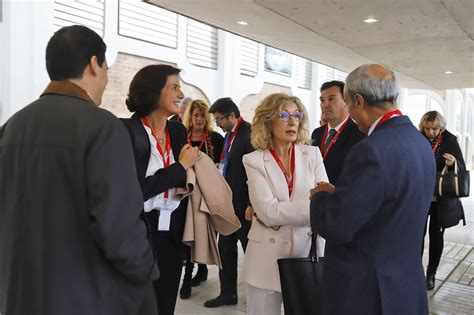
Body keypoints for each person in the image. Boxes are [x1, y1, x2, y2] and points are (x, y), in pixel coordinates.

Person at [0, 25, 158, 315]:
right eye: (107, 69)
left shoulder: (12, 126)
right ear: (94, 64)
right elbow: (119, 228)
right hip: (87, 296)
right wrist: (146, 269)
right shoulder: (103, 127)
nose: (107, 79)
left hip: (21, 293)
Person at [310, 64, 436, 314]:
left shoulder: (371, 149)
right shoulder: (419, 141)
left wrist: (321, 196)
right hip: (405, 284)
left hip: (368, 290)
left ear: (358, 101)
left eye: (346, 104)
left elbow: (337, 225)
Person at [121, 64, 200, 315]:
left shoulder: (177, 130)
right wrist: (179, 168)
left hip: (173, 230)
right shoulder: (127, 132)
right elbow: (133, 191)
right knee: (138, 304)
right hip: (140, 230)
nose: (181, 95)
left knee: (166, 302)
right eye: (174, 87)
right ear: (153, 92)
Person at [242, 93, 327, 315]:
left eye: (297, 115)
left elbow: (325, 201)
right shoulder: (253, 160)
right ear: (268, 121)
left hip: (307, 255)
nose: (293, 122)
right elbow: (268, 212)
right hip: (266, 258)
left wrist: (281, 212)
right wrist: (312, 205)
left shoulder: (313, 154)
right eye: (284, 115)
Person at [204, 97, 254, 308]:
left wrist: (252, 203)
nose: (217, 124)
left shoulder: (248, 134)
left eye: (219, 119)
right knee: (225, 248)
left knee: (250, 251)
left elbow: (255, 172)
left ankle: (256, 295)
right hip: (228, 203)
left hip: (244, 206)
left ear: (232, 115)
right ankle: (227, 293)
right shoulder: (230, 135)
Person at [179, 99, 224, 298]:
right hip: (187, 192)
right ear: (190, 116)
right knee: (188, 232)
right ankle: (187, 276)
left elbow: (222, 164)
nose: (199, 119)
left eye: (202, 115)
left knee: (204, 233)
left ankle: (201, 269)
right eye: (195, 115)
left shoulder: (215, 138)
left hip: (206, 193)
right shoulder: (182, 136)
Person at [419, 111, 467, 290]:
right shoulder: (417, 138)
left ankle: (431, 274)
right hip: (421, 195)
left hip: (441, 198)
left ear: (441, 127)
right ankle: (416, 271)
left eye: (434, 129)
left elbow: (461, 166)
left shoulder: (450, 140)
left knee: (436, 235)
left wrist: (453, 163)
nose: (431, 132)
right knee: (417, 235)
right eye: (427, 128)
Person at [311, 80, 365, 184]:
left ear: (346, 102)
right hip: (314, 196)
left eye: (331, 99)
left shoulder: (359, 135)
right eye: (322, 100)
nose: (325, 105)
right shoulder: (317, 133)